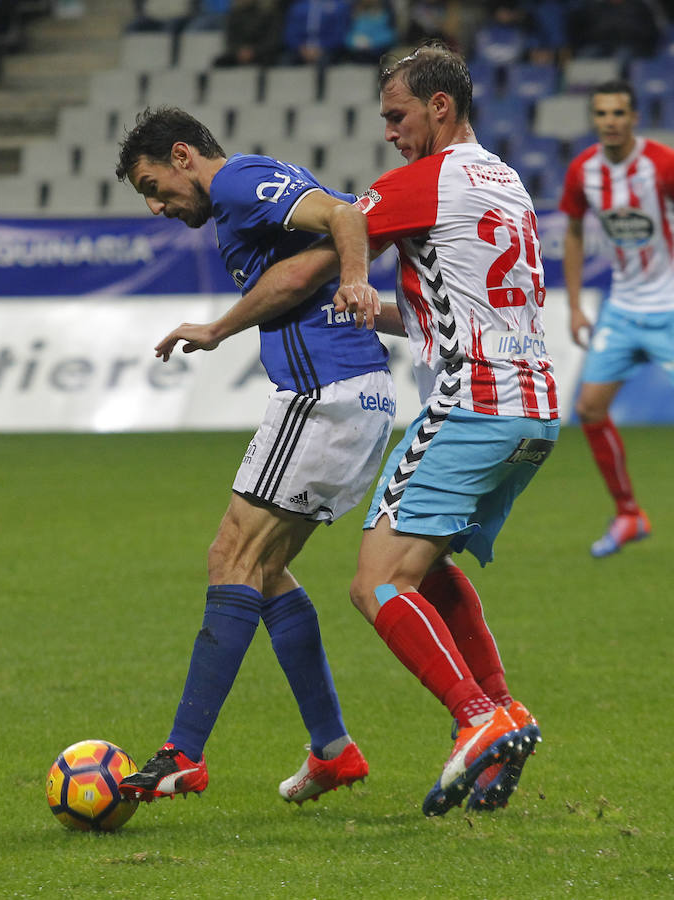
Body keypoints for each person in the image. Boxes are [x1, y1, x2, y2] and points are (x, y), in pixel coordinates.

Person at [181, 43, 560, 816]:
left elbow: (310, 263)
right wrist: (372, 311)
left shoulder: (424, 179)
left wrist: (226, 325)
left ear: (440, 107)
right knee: (427, 565)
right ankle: (504, 712)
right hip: (535, 403)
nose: (390, 132)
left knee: (376, 580)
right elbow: (437, 313)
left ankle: (475, 720)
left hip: (469, 402)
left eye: (398, 115)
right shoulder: (506, 181)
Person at [114, 106, 396, 805]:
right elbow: (310, 260)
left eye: (155, 185)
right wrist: (338, 272)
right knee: (265, 571)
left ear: (184, 155)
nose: (156, 205)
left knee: (231, 558)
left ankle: (183, 753)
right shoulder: (241, 205)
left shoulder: (239, 180)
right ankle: (333, 751)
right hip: (350, 396)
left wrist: (222, 326)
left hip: (322, 394)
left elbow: (347, 216)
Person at [560, 79, 673, 558]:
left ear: (633, 118)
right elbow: (572, 234)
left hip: (670, 306)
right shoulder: (583, 170)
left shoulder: (662, 165)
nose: (610, 121)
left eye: (618, 113)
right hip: (622, 309)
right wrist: (574, 304)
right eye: (602, 113)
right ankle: (629, 514)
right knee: (588, 408)